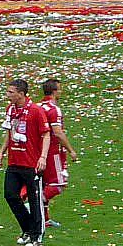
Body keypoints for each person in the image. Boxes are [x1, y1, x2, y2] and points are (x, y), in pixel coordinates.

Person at [0, 78, 51, 246]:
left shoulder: (36, 111)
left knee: (35, 201)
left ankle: (37, 236)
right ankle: (27, 228)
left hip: (31, 163)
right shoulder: (10, 110)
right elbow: (9, 132)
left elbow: (46, 135)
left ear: (21, 94)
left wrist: (42, 157)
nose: (7, 95)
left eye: (10, 92)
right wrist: (2, 152)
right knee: (10, 195)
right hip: (14, 162)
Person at [38, 78, 78, 230]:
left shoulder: (37, 106)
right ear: (54, 92)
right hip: (53, 150)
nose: (60, 92)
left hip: (40, 150)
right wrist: (71, 150)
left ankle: (45, 218)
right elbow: (58, 133)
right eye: (59, 89)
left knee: (44, 183)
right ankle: (35, 204)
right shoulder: (54, 109)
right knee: (58, 183)